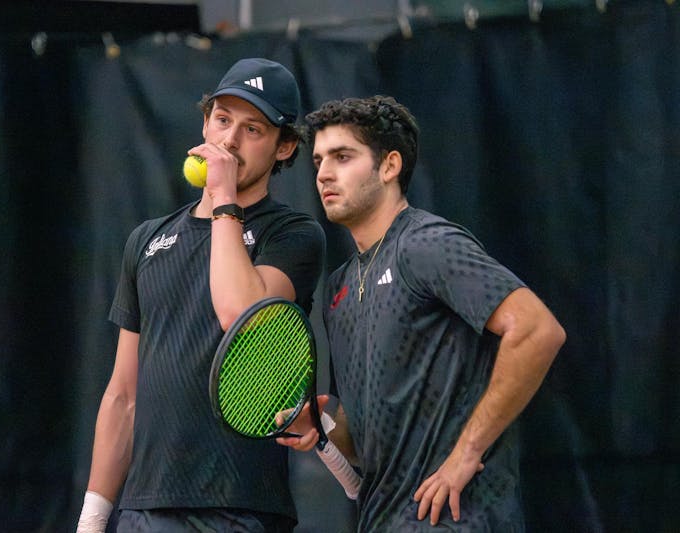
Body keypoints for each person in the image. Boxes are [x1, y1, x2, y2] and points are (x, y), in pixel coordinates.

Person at [276, 95, 566, 531]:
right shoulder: (338, 286)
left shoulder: (427, 244)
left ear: (389, 166)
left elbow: (537, 330)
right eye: (317, 160)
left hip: (458, 521)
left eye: (342, 156)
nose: (323, 174)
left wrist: (466, 454)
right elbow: (364, 442)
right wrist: (323, 424)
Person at [77, 58, 325, 532]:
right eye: (222, 119)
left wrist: (225, 200)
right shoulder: (147, 240)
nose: (229, 141)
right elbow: (123, 394)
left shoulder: (294, 234)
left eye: (252, 129)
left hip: (238, 509)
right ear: (205, 121)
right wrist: (91, 520)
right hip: (144, 509)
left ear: (284, 146)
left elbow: (242, 312)